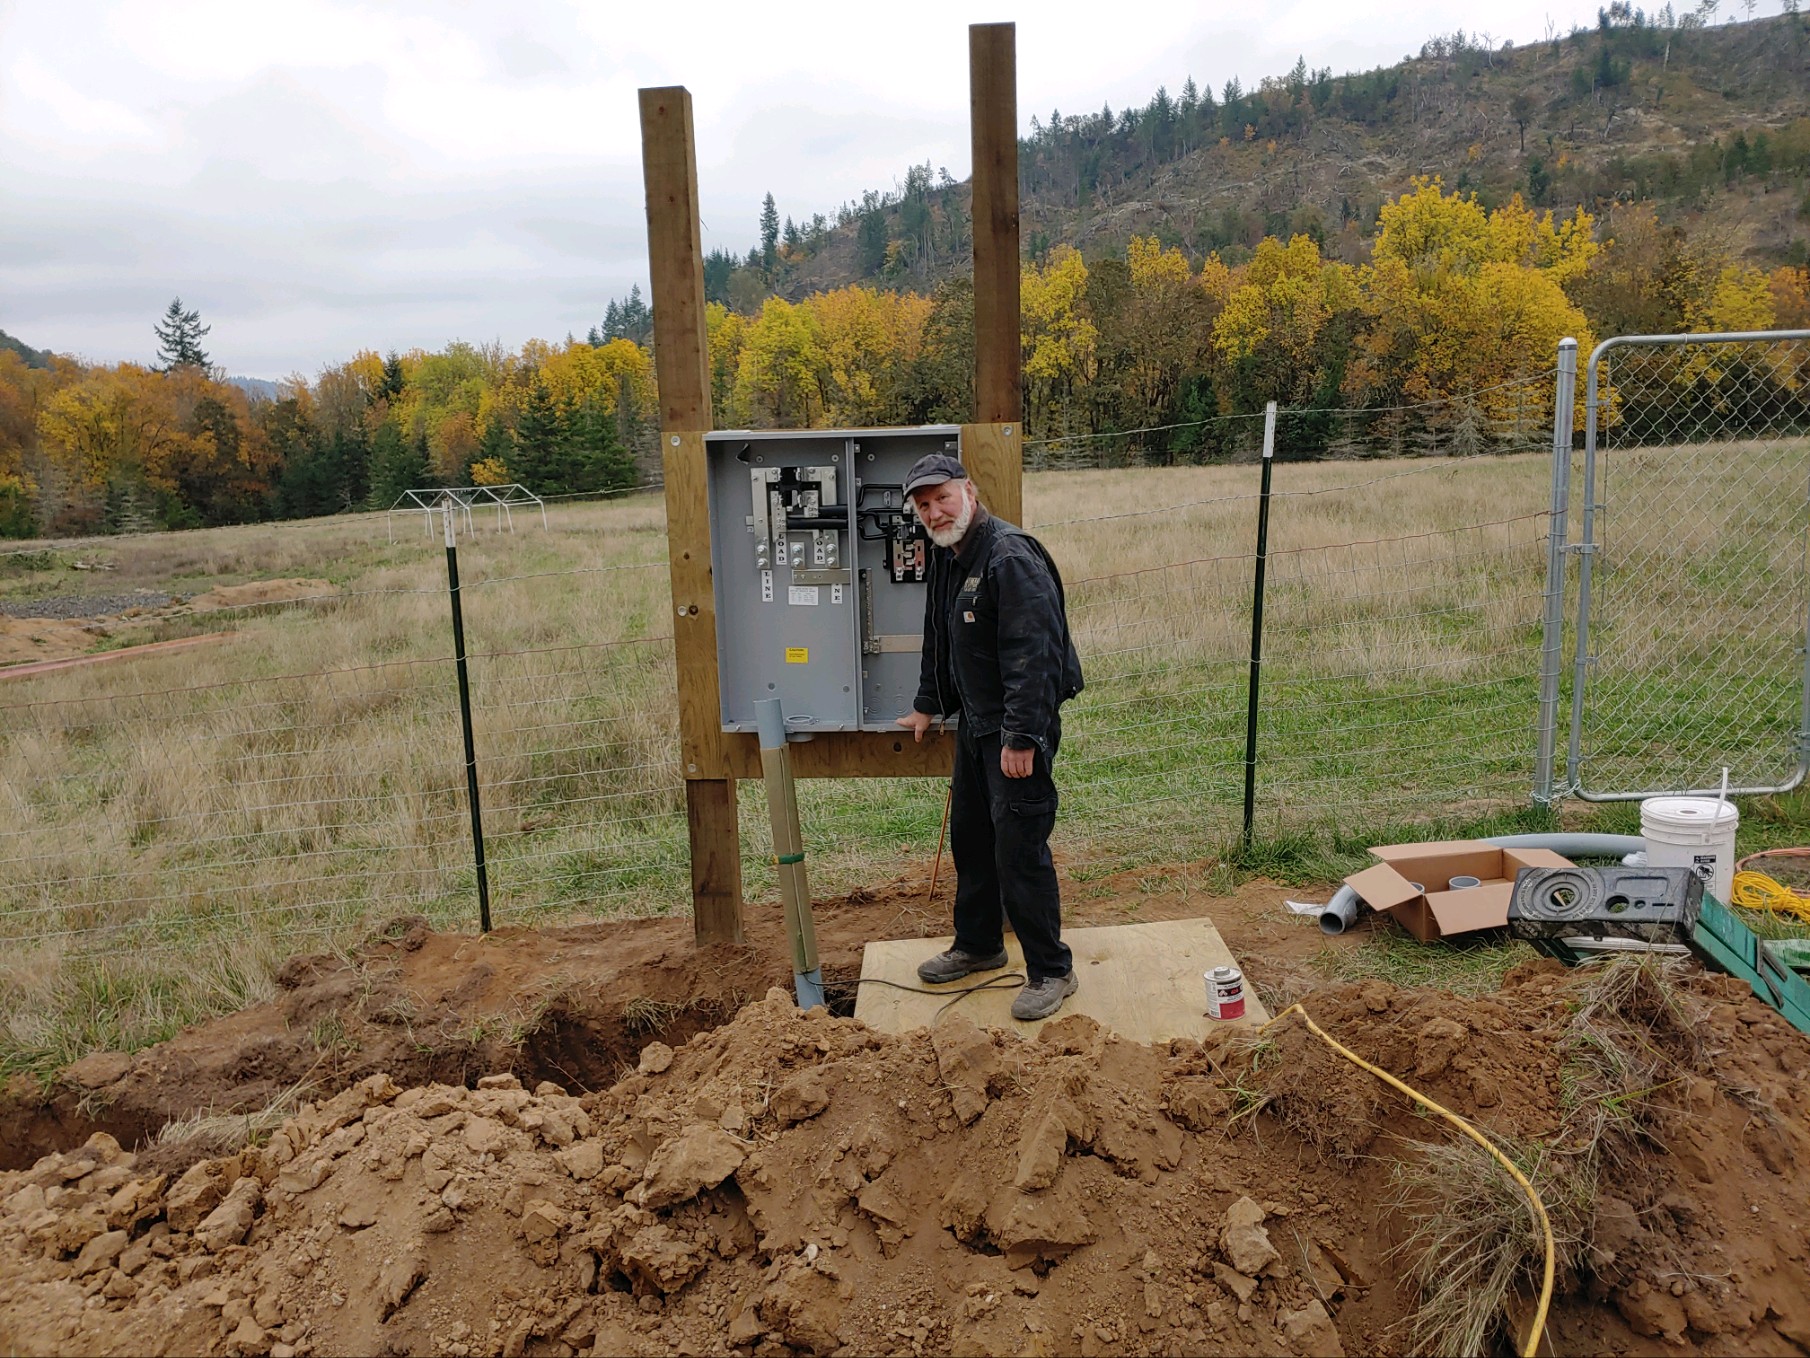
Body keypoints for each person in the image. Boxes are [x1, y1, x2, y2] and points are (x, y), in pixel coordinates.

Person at [895, 453, 1085, 1021]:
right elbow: (939, 636)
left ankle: (1052, 969)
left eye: (942, 498)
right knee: (973, 839)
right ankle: (978, 945)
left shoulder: (1010, 557)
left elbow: (1035, 655)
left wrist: (1022, 737)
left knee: (1018, 847)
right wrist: (928, 705)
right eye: (923, 505)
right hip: (977, 726)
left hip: (1014, 729)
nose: (933, 511)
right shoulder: (950, 556)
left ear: (969, 492)